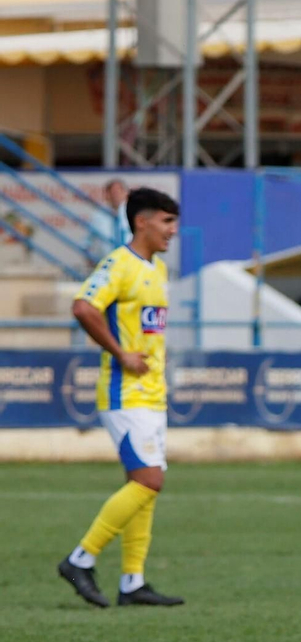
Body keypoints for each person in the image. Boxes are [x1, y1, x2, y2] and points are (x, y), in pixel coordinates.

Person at [57, 187, 185, 609]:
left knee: (143, 485)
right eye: (166, 221)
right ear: (142, 221)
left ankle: (133, 581)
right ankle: (80, 559)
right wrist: (121, 353)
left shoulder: (158, 269)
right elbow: (83, 307)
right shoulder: (119, 263)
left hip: (151, 394)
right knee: (150, 480)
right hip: (123, 393)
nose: (172, 230)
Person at [89, 178, 132, 255]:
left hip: (129, 259)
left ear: (125, 193)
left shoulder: (132, 212)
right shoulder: (99, 216)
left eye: (119, 192)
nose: (115, 195)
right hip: (108, 259)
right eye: (112, 192)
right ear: (106, 195)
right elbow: (90, 238)